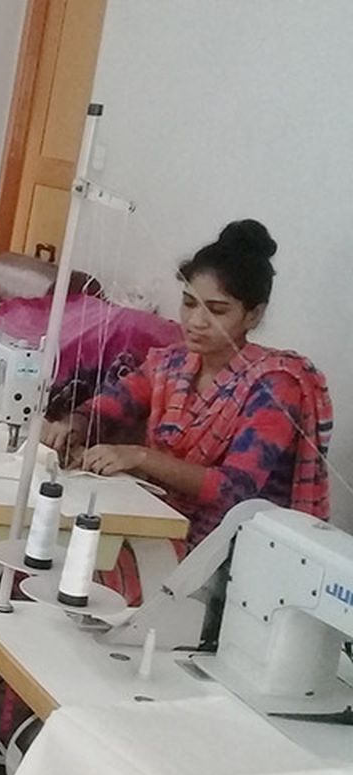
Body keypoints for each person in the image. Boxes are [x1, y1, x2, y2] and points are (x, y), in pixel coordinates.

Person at [41, 219, 333, 548]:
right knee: (49, 538)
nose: (195, 321)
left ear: (253, 315)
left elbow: (234, 488)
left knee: (73, 561)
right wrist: (74, 425)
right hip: (159, 521)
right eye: (189, 303)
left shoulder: (276, 386)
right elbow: (112, 406)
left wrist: (140, 457)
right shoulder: (171, 364)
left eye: (217, 310)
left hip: (224, 550)